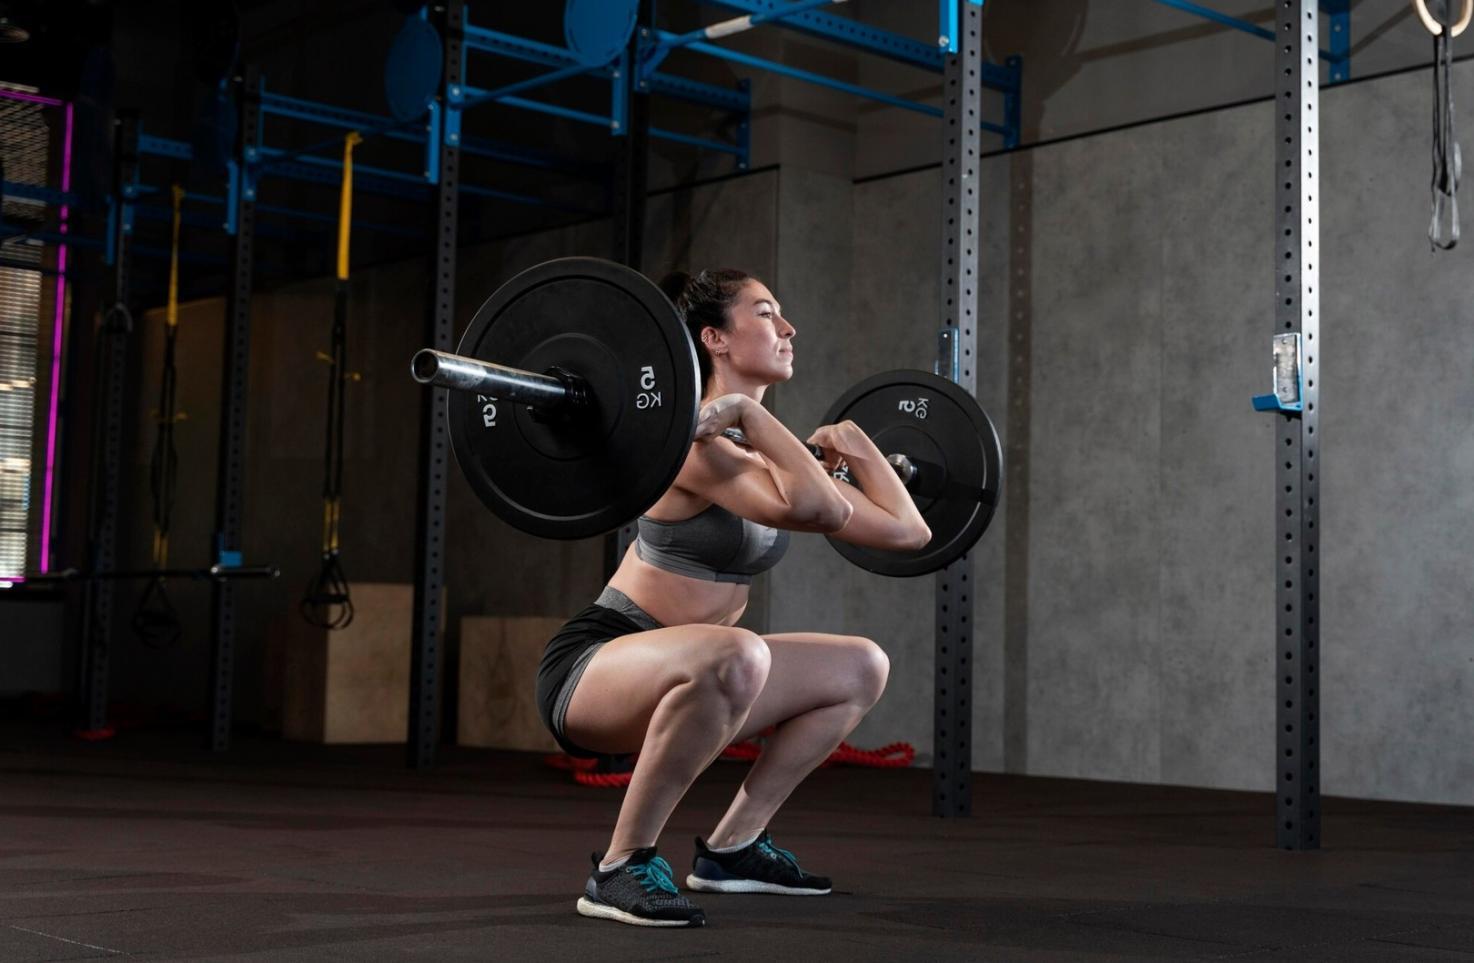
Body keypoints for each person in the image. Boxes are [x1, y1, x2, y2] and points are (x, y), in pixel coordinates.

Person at [535, 268, 932, 928]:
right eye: (767, 313)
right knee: (740, 653)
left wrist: (859, 446)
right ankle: (619, 866)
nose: (788, 328)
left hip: (712, 671)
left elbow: (908, 530)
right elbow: (820, 508)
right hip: (596, 666)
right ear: (714, 337)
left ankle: (734, 848)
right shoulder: (688, 442)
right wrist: (749, 413)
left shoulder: (766, 452)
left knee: (862, 665)